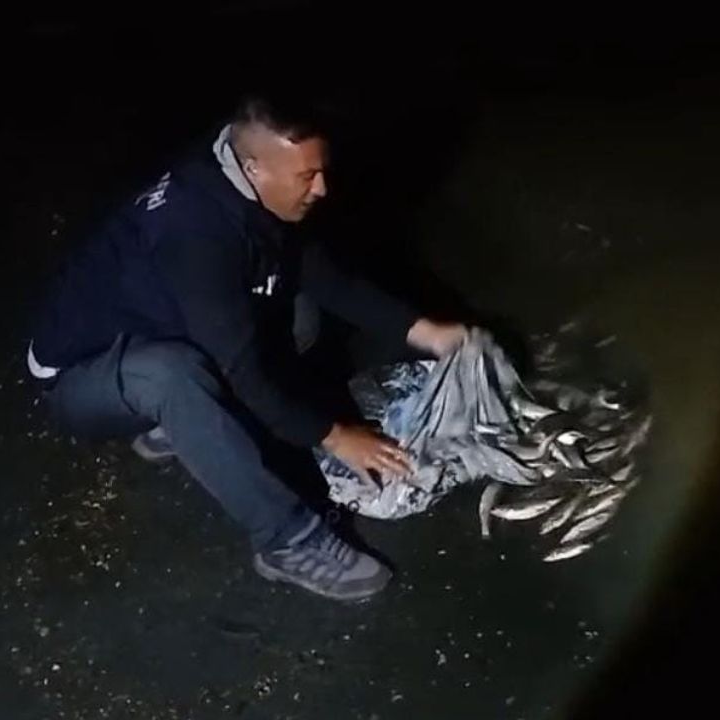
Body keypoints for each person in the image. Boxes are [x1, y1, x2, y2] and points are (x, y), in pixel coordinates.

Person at [25, 95, 467, 601]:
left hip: (159, 328)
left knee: (297, 315)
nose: (322, 188)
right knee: (172, 376)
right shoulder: (194, 232)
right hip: (80, 378)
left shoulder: (245, 177)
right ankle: (287, 541)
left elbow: (324, 276)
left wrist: (422, 330)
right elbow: (242, 370)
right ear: (254, 168)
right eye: (307, 177)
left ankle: (188, 426)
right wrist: (333, 435)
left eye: (321, 171)